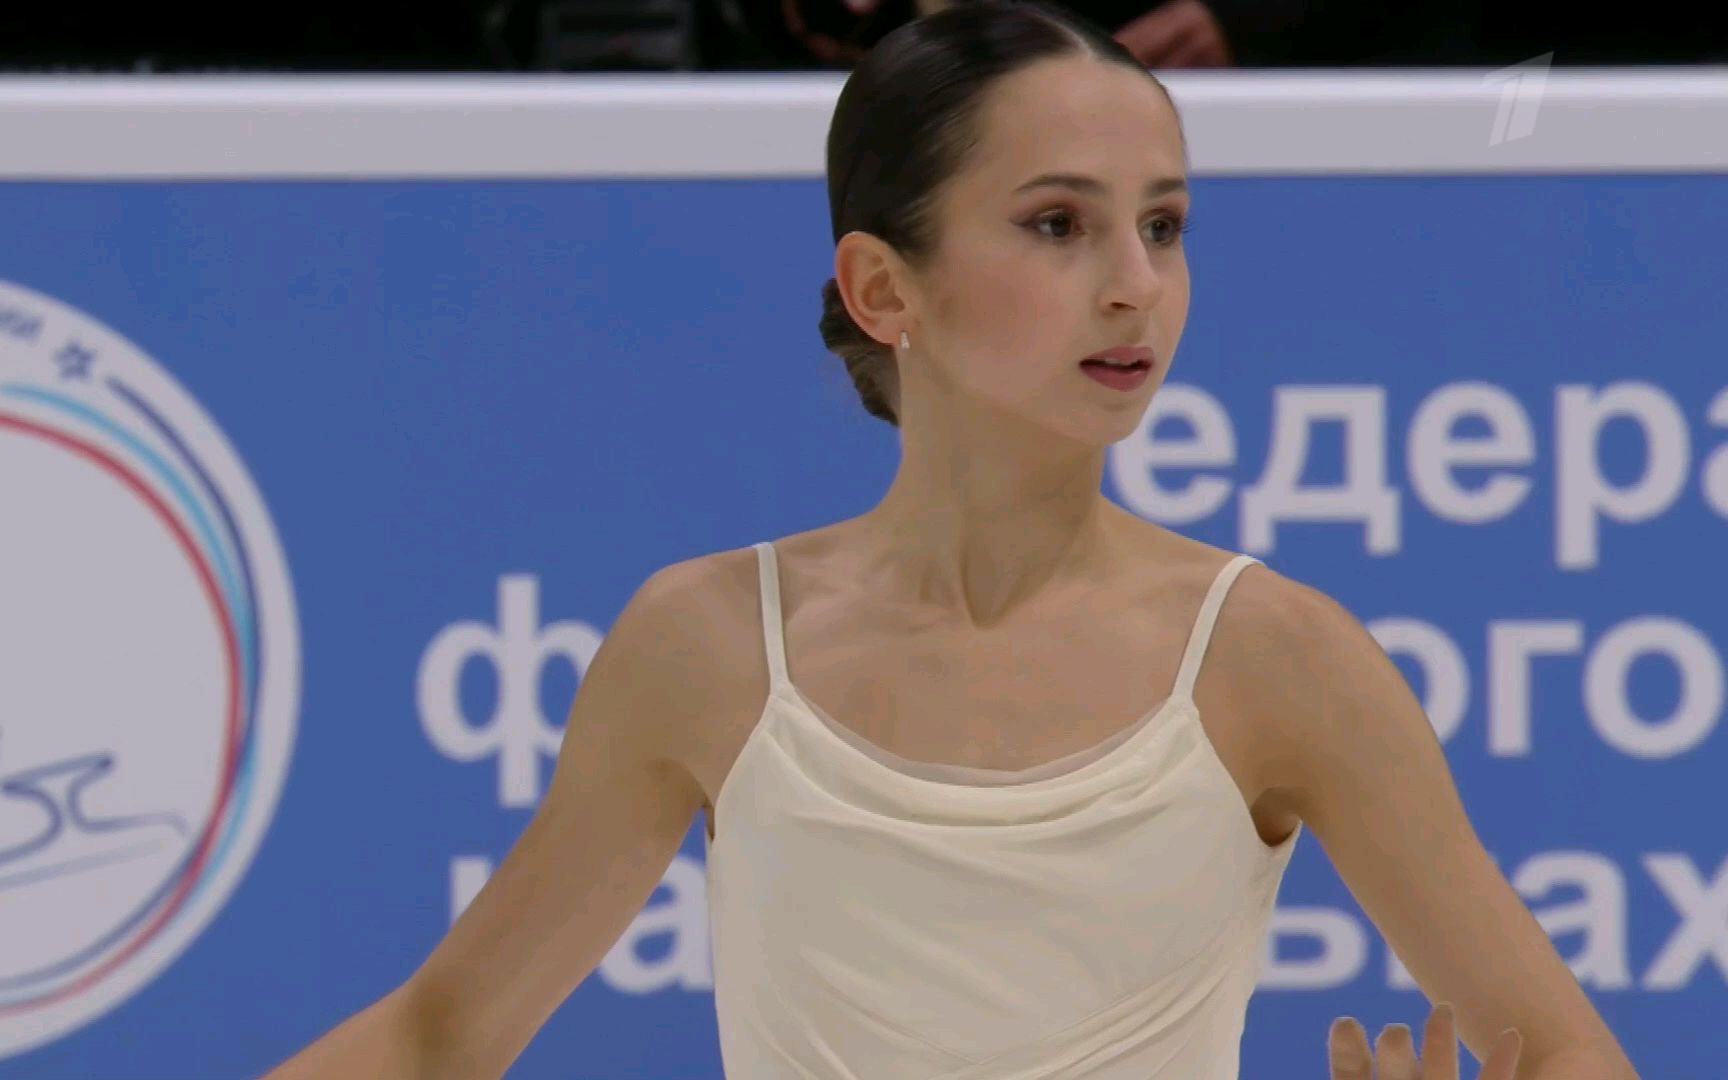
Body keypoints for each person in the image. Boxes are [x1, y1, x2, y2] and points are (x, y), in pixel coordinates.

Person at [261, 3, 1642, 1078]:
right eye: (1058, 224)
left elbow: (1569, 1052)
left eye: (1163, 225)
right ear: (882, 287)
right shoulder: (707, 645)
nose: (1136, 285)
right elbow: (439, 1039)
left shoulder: (1276, 657)